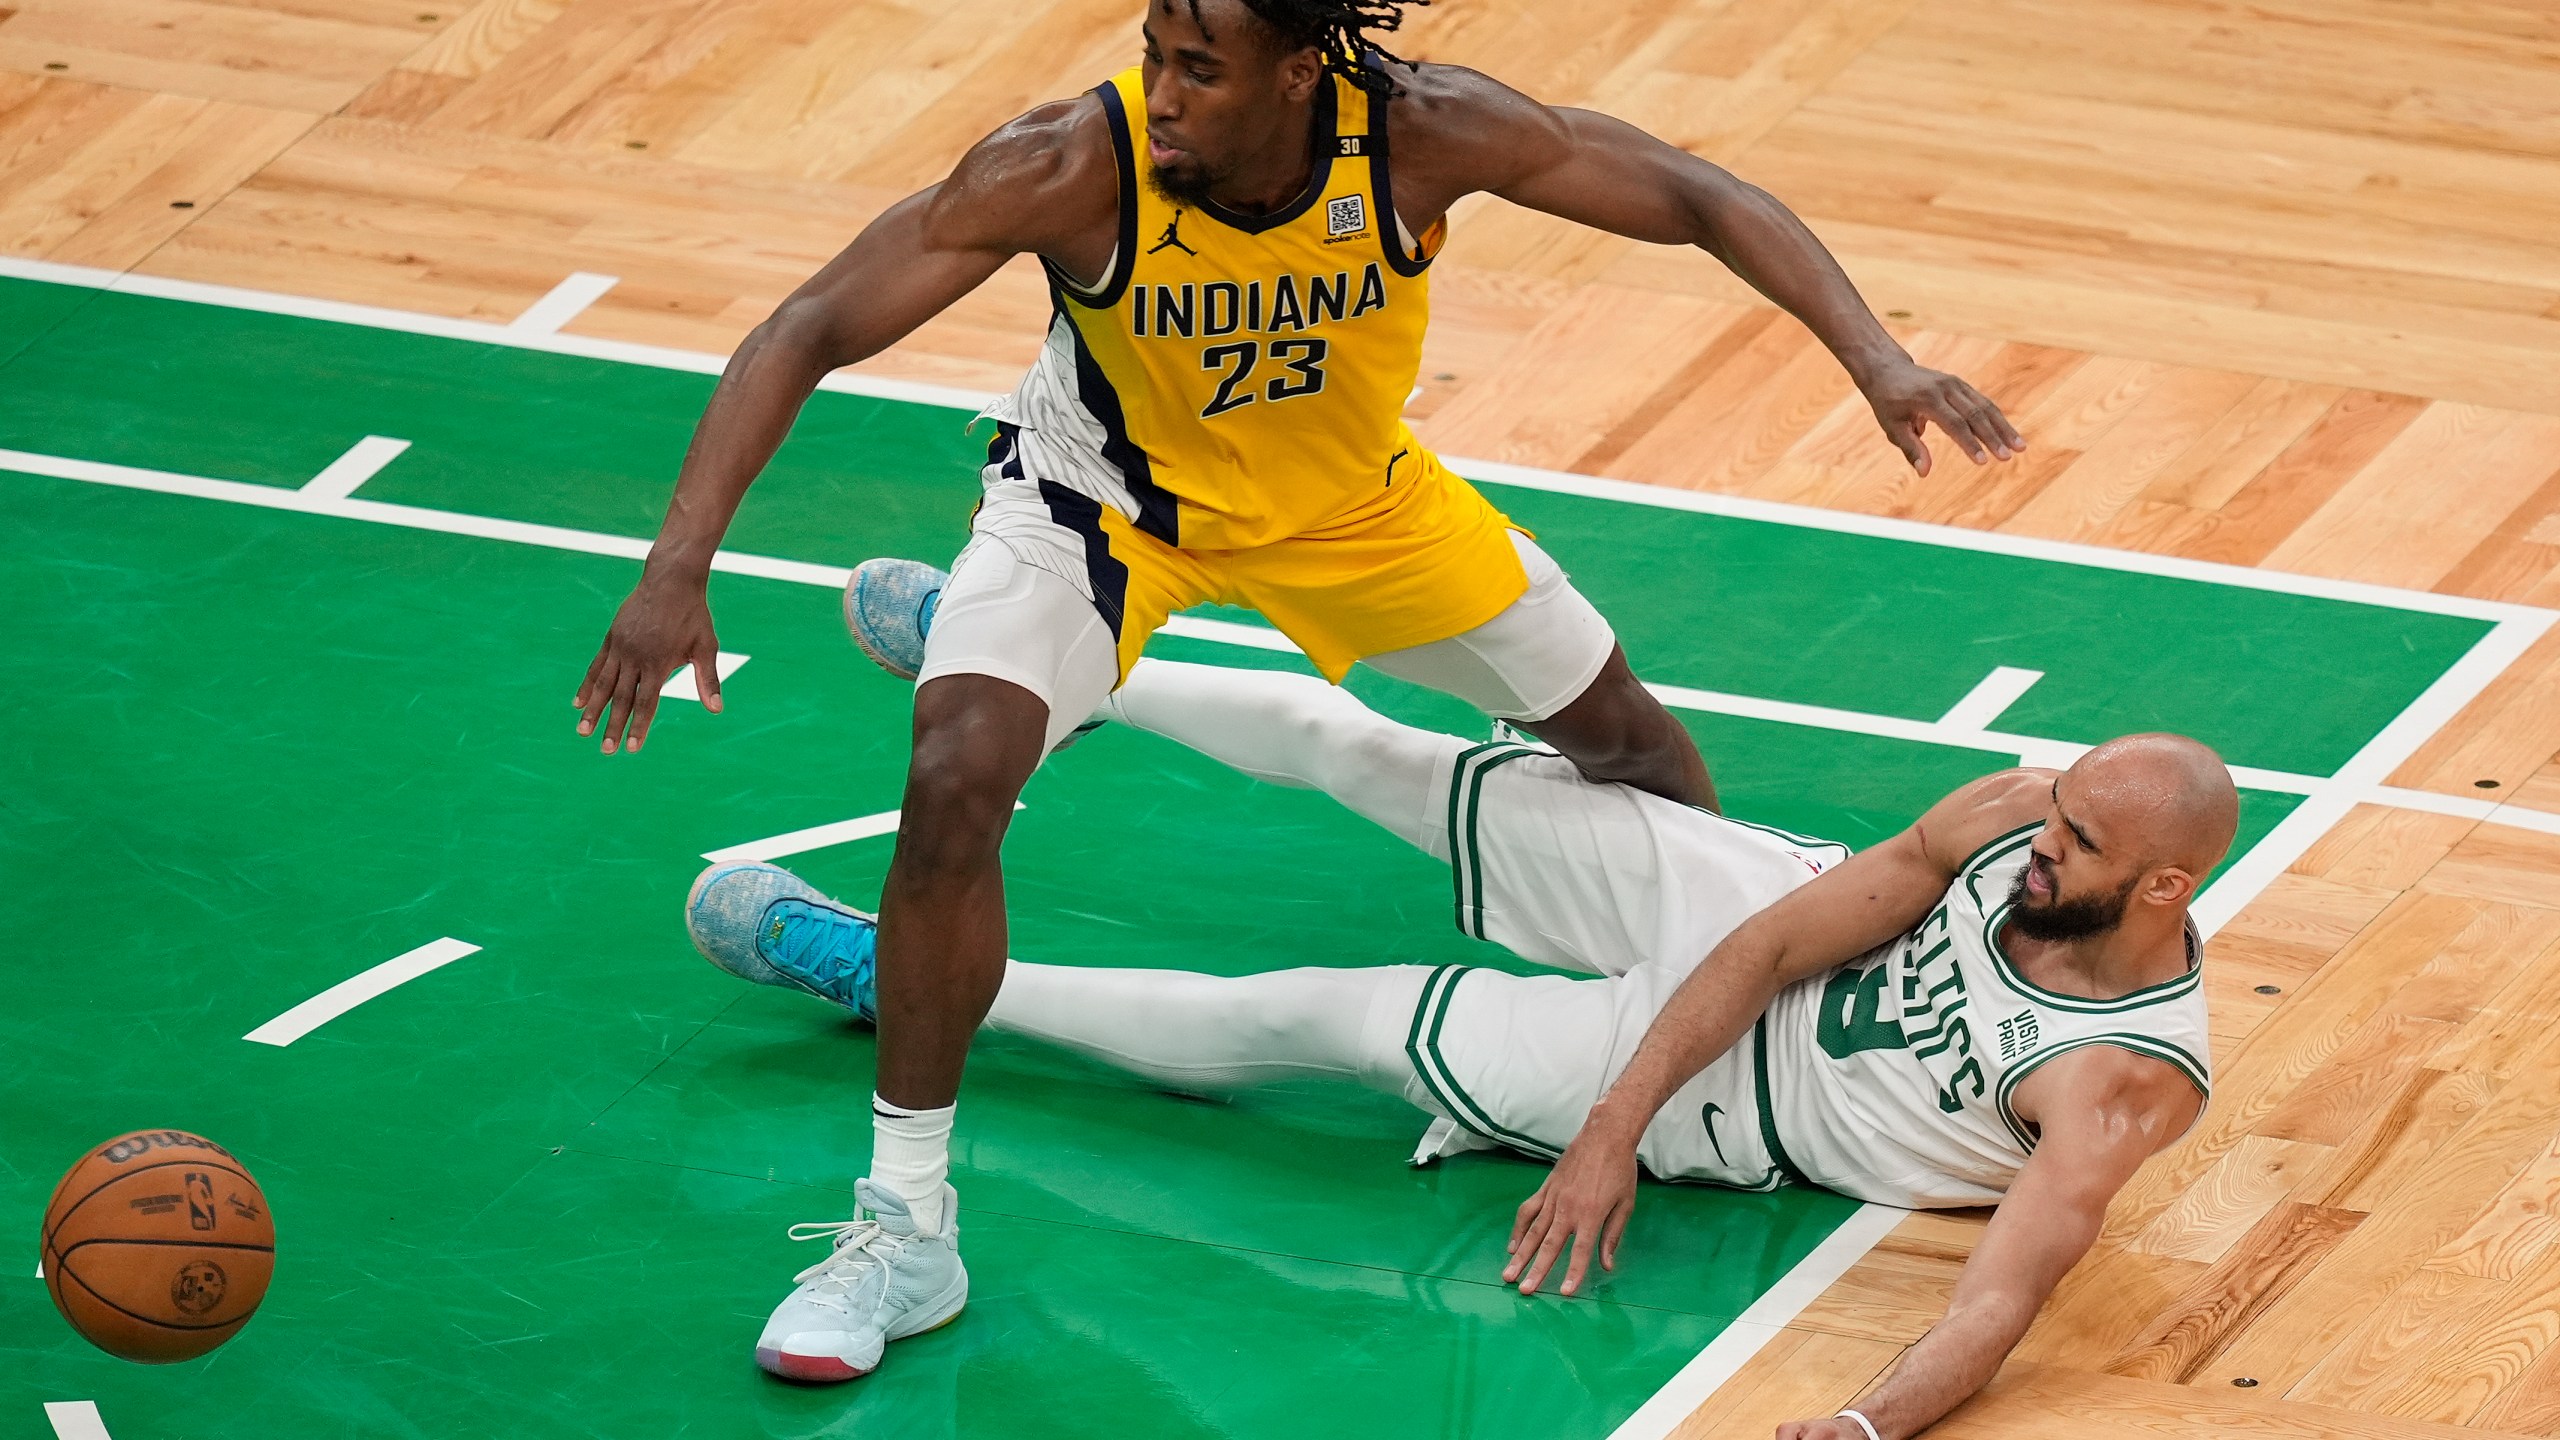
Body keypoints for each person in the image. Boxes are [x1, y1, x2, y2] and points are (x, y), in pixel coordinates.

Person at [579, 0, 2024, 1382]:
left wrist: (1878, 359)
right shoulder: (1071, 166)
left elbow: (1697, 194)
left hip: (1357, 511)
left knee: (1630, 752)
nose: (1162, 92)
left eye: (1198, 67)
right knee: (955, 775)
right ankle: (904, 1233)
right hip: (1104, 518)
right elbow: (811, 324)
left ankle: (1694, 995)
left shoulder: (1420, 134)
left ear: (1295, 76)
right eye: (1153, 54)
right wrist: (674, 568)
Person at [693, 657, 2231, 1434]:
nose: (2043, 836)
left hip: (1745, 1109)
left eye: (2080, 841)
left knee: (1306, 1017)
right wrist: (1610, 1127)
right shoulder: (2018, 818)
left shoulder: (2115, 1088)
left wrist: (1859, 1425)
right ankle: (1030, 663)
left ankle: (884, 979)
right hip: (1755, 908)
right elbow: (1772, 943)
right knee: (1385, 756)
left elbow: (2001, 1298)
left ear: (2160, 889)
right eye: (2058, 806)